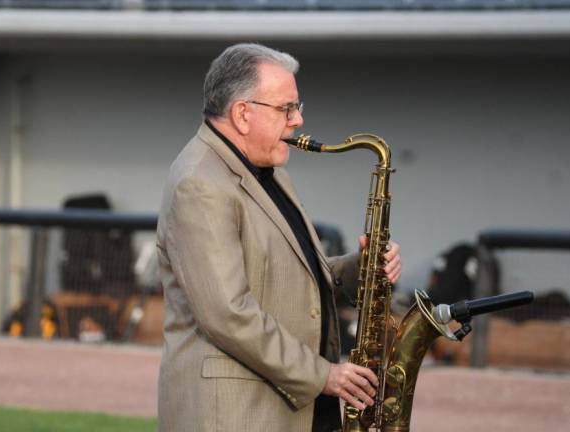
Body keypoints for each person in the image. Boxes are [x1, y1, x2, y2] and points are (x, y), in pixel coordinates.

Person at [156, 43, 402, 432]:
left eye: (297, 107)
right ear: (242, 113)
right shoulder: (200, 184)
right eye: (286, 108)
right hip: (239, 415)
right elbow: (228, 314)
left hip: (294, 407)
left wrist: (364, 270)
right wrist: (324, 375)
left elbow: (287, 278)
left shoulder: (269, 171)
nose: (298, 120)